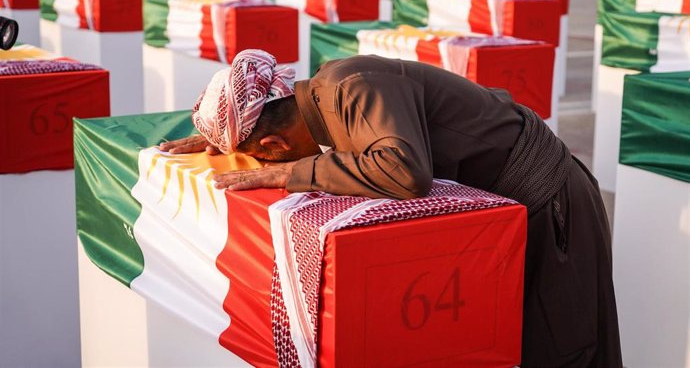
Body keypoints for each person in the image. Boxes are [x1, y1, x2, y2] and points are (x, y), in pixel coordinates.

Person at [161, 49, 623, 367]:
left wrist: (289, 173)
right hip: (515, 208)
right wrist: (218, 140)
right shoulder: (325, 92)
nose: (267, 163)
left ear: (275, 143)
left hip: (552, 198)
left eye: (262, 154)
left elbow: (405, 173)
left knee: (564, 346)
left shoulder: (352, 87)